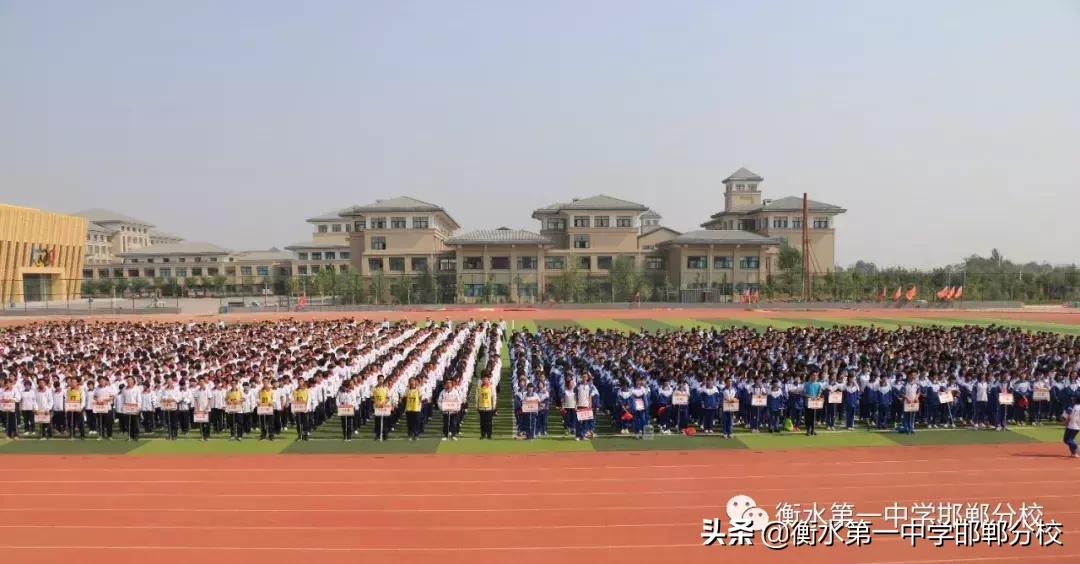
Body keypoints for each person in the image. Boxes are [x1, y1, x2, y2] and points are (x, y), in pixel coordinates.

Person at [476, 373, 496, 440]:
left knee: (489, 422)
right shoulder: (479, 387)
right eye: (483, 379)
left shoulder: (491, 387)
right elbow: (477, 397)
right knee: (482, 422)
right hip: (481, 406)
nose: (485, 380)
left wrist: (494, 405)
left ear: (488, 380)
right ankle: (483, 434)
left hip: (489, 407)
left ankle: (489, 434)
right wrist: (477, 405)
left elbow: (494, 396)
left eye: (486, 379)